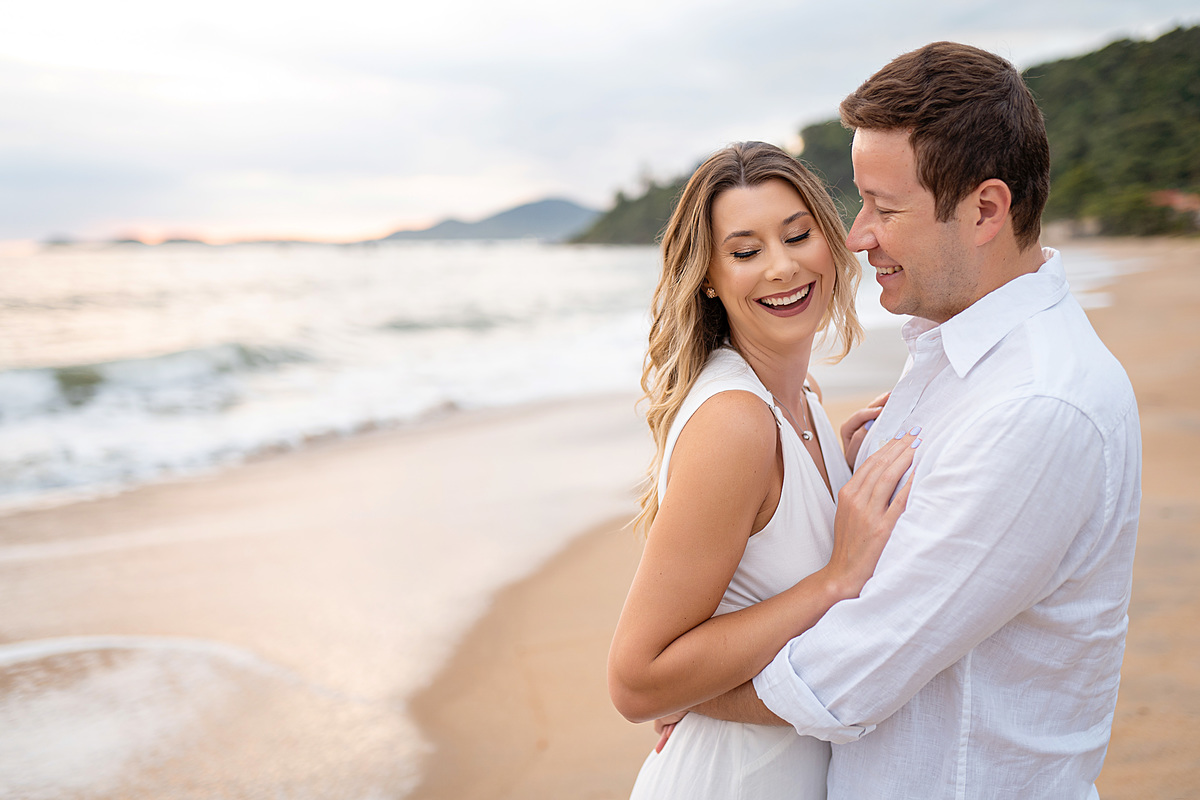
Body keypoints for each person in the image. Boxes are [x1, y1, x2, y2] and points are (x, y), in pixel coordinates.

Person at [659, 42, 1142, 799]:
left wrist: (689, 694)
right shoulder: (948, 357)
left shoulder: (1036, 405)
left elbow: (847, 676)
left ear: (985, 209)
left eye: (885, 208)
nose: (857, 236)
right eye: (858, 204)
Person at [607, 141, 920, 799]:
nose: (782, 267)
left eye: (798, 236)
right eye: (746, 251)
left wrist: (832, 472)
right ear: (711, 278)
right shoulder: (736, 423)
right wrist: (835, 578)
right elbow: (636, 682)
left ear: (829, 246)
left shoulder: (799, 400)